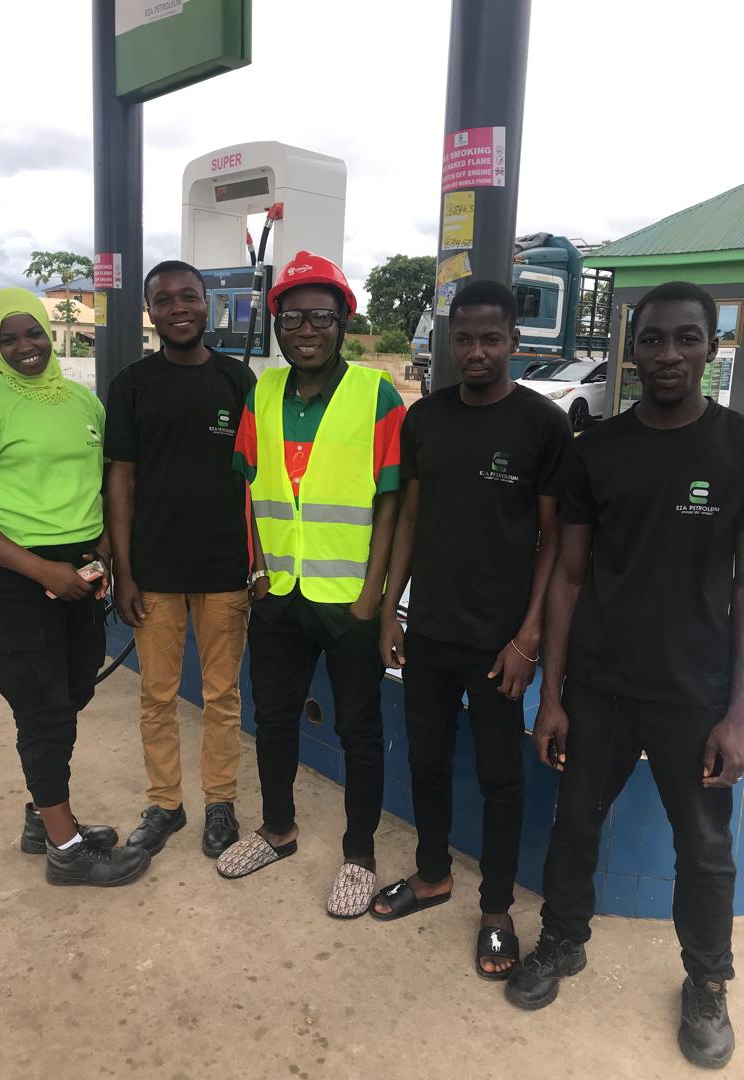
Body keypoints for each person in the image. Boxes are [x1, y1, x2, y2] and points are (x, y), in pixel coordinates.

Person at [506, 281, 742, 1070]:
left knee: (704, 850)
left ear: (712, 347)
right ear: (632, 349)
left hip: (695, 693)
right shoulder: (595, 450)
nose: (668, 354)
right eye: (653, 339)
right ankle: (563, 940)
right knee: (575, 824)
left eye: (686, 338)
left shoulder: (737, 447)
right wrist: (552, 696)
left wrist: (738, 713)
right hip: (600, 686)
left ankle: (706, 981)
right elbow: (568, 576)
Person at [371, 280, 571, 978]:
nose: (476, 352)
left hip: (499, 646)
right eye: (463, 339)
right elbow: (410, 517)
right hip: (429, 630)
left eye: (490, 339)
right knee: (425, 761)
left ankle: (496, 910)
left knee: (499, 780)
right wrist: (392, 610)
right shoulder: (425, 418)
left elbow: (553, 542)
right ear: (446, 343)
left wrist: (527, 639)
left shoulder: (543, 425)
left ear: (514, 340)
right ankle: (432, 874)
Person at [0, 287, 149, 886]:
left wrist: (103, 549)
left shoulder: (84, 402)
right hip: (15, 577)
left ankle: (44, 817)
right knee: (42, 706)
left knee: (73, 691)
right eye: (9, 339)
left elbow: (103, 485)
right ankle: (65, 849)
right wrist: (40, 571)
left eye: (33, 333)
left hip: (79, 573)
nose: (25, 346)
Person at [218, 251, 405, 918]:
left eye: (321, 317)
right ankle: (278, 830)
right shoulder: (262, 392)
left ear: (342, 322)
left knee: (358, 730)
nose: (306, 330)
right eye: (292, 318)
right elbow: (249, 488)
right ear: (276, 325)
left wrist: (372, 596)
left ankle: (360, 855)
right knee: (272, 718)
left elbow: (391, 501)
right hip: (278, 595)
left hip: (349, 602)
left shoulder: (376, 396)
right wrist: (257, 573)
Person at [105, 261, 255, 860]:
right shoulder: (132, 384)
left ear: (206, 303)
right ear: (150, 311)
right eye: (164, 300)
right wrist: (123, 570)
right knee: (157, 696)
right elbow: (120, 481)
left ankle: (220, 801)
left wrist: (258, 563)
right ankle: (166, 803)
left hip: (224, 570)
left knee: (222, 697)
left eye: (188, 296)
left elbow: (256, 483)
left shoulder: (238, 380)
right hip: (154, 573)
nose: (178, 308)